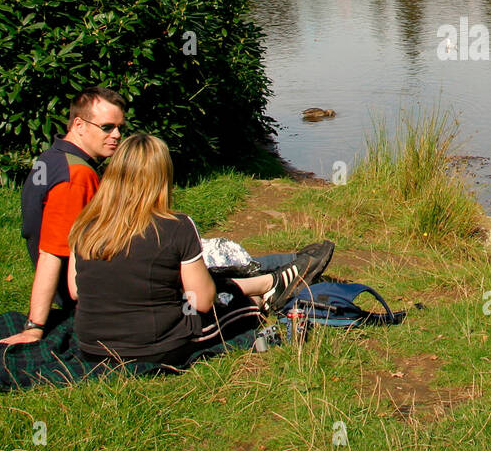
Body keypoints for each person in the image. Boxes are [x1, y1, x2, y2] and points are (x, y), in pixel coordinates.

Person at [67, 134, 333, 366]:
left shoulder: (85, 224)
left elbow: (76, 290)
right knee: (237, 305)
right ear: (162, 178)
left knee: (206, 284)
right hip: (157, 346)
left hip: (92, 346)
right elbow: (202, 302)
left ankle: (270, 282)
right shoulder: (176, 227)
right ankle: (268, 292)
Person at [0, 87, 128, 345]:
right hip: (76, 293)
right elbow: (53, 252)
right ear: (79, 125)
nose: (116, 135)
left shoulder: (51, 157)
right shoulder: (77, 176)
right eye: (106, 127)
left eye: (119, 128)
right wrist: (34, 326)